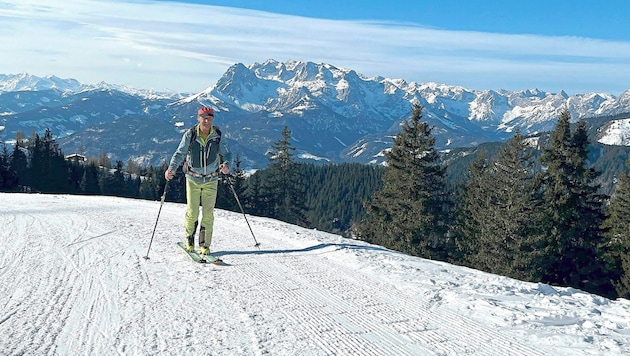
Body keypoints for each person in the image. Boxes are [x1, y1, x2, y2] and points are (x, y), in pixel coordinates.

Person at [165, 107, 232, 255]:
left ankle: (204, 246)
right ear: (198, 118)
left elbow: (227, 154)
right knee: (193, 212)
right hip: (192, 179)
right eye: (203, 117)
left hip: (211, 179)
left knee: (208, 214)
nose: (206, 120)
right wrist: (171, 169)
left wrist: (227, 165)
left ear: (213, 119)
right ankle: (189, 240)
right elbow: (179, 153)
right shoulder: (190, 135)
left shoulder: (218, 136)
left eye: (209, 118)